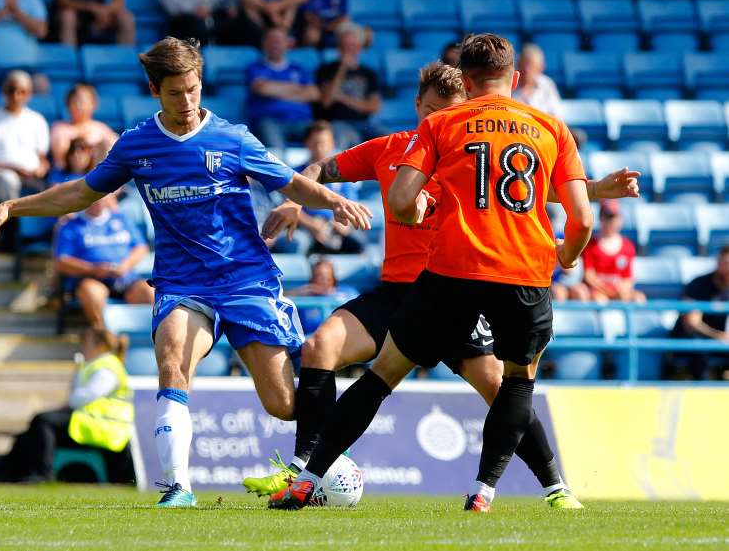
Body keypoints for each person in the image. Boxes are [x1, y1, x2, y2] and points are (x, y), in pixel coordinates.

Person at [0, 36, 373, 508]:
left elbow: (290, 181)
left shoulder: (231, 137)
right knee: (173, 358)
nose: (186, 102)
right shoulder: (137, 146)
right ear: (153, 90)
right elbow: (78, 193)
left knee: (283, 404)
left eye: (193, 89)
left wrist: (335, 201)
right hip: (184, 283)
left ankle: (328, 457)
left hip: (246, 280)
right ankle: (177, 487)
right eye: (175, 92)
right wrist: (11, 207)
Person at [249, 61, 639, 504]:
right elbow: (322, 168)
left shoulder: (466, 143)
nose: (439, 119)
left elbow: (532, 184)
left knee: (498, 387)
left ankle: (555, 485)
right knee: (322, 347)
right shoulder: (392, 148)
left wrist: (595, 189)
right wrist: (300, 206)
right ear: (417, 105)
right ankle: (304, 470)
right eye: (431, 109)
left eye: (449, 110)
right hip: (401, 290)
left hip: (454, 287)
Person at [0, 327, 135, 483]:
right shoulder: (94, 364)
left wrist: (68, 402)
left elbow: (88, 395)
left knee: (43, 421)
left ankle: (42, 473)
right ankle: (6, 472)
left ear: (99, 345)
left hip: (103, 429)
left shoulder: (108, 366)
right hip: (89, 424)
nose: (82, 346)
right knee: (28, 434)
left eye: (86, 342)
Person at [55, 194, 153, 328]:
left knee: (150, 293)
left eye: (102, 196)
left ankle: (146, 340)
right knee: (92, 293)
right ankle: (105, 337)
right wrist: (93, 269)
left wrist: (125, 266)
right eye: (94, 197)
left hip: (126, 278)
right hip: (92, 279)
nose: (98, 201)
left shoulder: (122, 219)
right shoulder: (71, 225)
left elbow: (141, 248)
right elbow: (62, 262)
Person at [286, 121, 363, 255]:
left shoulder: (343, 174)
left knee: (359, 242)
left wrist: (344, 224)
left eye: (324, 143)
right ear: (307, 144)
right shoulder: (295, 174)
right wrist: (311, 224)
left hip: (336, 227)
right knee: (300, 243)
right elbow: (285, 206)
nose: (320, 147)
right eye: (315, 143)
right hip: (306, 229)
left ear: (332, 144)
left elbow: (352, 204)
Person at [0, 70, 49, 203]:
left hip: (30, 175)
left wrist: (40, 170)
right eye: (11, 90)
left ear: (29, 94)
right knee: (8, 179)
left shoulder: (38, 120)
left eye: (22, 91)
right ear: (4, 91)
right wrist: (14, 169)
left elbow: (42, 159)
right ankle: (12, 221)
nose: (16, 95)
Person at [245, 26, 319, 149]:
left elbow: (314, 93)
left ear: (287, 44)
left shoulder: (298, 69)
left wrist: (274, 89)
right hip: (271, 120)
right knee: (276, 152)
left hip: (302, 120)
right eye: (271, 40)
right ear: (264, 44)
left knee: (321, 138)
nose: (275, 44)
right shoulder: (255, 67)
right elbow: (261, 89)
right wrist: (299, 90)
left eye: (279, 40)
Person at [314, 22, 382, 148]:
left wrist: (341, 97)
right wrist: (342, 69)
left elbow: (373, 106)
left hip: (364, 123)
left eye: (352, 46)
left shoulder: (369, 73)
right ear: (338, 47)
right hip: (337, 122)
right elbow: (327, 101)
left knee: (388, 138)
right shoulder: (325, 70)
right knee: (350, 139)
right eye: (344, 46)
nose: (348, 50)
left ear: (359, 48)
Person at [669, 245, 729, 379]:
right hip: (694, 335)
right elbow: (692, 323)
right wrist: (719, 336)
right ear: (718, 262)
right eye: (725, 263)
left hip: (719, 336)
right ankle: (701, 386)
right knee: (699, 345)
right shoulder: (699, 284)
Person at [581, 200, 646, 304]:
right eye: (608, 217)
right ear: (601, 218)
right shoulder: (590, 245)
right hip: (598, 292)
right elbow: (589, 276)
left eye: (615, 217)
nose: (611, 222)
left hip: (619, 292)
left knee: (639, 298)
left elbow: (628, 278)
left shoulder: (627, 246)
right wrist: (609, 292)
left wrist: (621, 291)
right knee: (599, 300)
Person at [50, 83, 118, 170]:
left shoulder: (101, 129)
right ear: (68, 104)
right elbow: (61, 159)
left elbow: (115, 152)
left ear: (93, 104)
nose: (79, 105)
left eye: (83, 101)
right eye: (75, 101)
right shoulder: (59, 128)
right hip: (67, 177)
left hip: (96, 176)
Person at [513, 44, 563, 119]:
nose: (526, 70)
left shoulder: (547, 84)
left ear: (541, 67)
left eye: (531, 65)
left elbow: (555, 115)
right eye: (523, 65)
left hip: (543, 129)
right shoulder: (509, 84)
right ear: (518, 65)